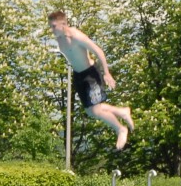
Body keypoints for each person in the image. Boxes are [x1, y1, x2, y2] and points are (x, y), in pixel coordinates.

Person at [49, 10, 134, 150]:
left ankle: (120, 129)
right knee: (90, 111)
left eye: (53, 26)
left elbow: (98, 50)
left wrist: (107, 73)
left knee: (96, 110)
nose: (51, 30)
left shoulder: (75, 36)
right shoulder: (59, 38)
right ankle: (122, 112)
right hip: (78, 76)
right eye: (50, 27)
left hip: (90, 75)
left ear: (63, 24)